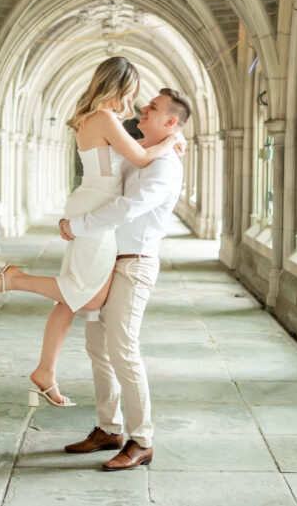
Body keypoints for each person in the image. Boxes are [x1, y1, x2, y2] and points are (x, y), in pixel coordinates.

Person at [0, 57, 183, 408]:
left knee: (70, 298)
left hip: (89, 201)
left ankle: (45, 372)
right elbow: (141, 158)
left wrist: (158, 145)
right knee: (87, 298)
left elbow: (131, 156)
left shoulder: (90, 118)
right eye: (132, 93)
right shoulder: (103, 118)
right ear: (119, 86)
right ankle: (15, 279)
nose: (133, 103)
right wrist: (172, 140)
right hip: (97, 210)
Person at [59, 88, 191, 471]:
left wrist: (78, 225)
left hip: (134, 264)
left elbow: (126, 207)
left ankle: (142, 439)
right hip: (108, 260)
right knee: (96, 344)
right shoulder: (142, 154)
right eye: (146, 104)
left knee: (123, 349)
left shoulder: (165, 167)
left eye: (152, 108)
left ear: (170, 122)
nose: (142, 109)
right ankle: (109, 428)